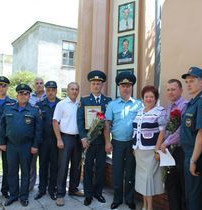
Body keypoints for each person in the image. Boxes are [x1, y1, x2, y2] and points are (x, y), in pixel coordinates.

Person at [0, 84, 42, 207]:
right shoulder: (8, 108)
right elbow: (2, 127)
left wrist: (35, 145)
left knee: (26, 173)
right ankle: (13, 195)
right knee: (11, 172)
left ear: (29, 96)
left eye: (26, 93)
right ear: (17, 95)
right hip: (11, 146)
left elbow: (38, 130)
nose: (23, 96)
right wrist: (2, 142)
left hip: (26, 146)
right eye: (21, 93)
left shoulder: (34, 110)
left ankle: (23, 196)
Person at [104, 72, 143, 209]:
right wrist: (108, 142)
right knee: (117, 172)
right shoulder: (112, 105)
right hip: (118, 143)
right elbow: (107, 124)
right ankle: (117, 199)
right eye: (123, 86)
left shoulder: (139, 105)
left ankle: (129, 199)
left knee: (131, 171)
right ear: (119, 87)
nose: (126, 88)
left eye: (128, 86)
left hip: (133, 144)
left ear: (132, 87)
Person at [180, 67, 202, 210]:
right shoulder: (192, 102)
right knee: (191, 195)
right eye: (187, 81)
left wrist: (193, 160)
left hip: (197, 155)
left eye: (192, 81)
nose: (188, 84)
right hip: (189, 153)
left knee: (196, 198)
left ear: (201, 83)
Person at [77, 70, 112, 206]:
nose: (96, 86)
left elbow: (109, 121)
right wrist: (83, 138)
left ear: (102, 85)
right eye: (94, 83)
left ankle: (98, 193)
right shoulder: (84, 100)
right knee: (88, 168)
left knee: (100, 168)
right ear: (90, 85)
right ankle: (88, 194)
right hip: (89, 141)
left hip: (102, 140)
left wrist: (108, 140)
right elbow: (80, 120)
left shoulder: (108, 101)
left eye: (98, 83)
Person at [132, 85, 166, 210]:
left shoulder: (160, 111)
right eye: (146, 96)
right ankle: (145, 205)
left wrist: (157, 150)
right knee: (142, 180)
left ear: (155, 98)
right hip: (139, 151)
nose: (148, 99)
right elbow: (135, 130)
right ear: (143, 98)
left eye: (151, 96)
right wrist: (135, 148)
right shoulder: (140, 111)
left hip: (151, 151)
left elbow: (162, 132)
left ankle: (149, 207)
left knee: (148, 180)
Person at [53, 82, 84, 207]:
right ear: (68, 90)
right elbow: (55, 122)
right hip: (65, 138)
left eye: (77, 89)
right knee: (63, 166)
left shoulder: (80, 105)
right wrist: (59, 139)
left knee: (77, 166)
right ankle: (60, 194)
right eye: (72, 89)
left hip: (78, 139)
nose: (74, 91)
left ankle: (73, 189)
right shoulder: (61, 104)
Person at [160, 79, 187, 210]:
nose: (170, 92)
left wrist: (165, 142)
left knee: (182, 187)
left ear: (181, 90)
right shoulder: (169, 107)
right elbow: (165, 129)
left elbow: (181, 130)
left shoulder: (185, 106)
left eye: (173, 89)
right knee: (171, 186)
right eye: (168, 89)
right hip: (168, 151)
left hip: (180, 152)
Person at [34, 81, 60, 201]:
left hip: (56, 141)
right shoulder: (40, 105)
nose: (50, 92)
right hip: (43, 141)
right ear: (46, 91)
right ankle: (41, 189)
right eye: (48, 90)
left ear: (56, 91)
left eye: (53, 90)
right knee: (43, 165)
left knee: (54, 166)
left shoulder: (61, 104)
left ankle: (52, 189)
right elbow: (37, 125)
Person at [29, 77, 46, 191]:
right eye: (37, 83)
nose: (39, 85)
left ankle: (45, 186)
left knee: (45, 163)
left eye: (41, 83)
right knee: (31, 163)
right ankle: (30, 186)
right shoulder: (29, 97)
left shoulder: (49, 95)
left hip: (46, 135)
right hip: (32, 135)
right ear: (34, 85)